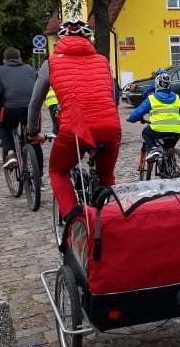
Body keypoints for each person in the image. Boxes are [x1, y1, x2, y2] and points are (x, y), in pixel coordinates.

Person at [26, 19, 121, 221]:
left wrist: (32, 131)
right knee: (106, 176)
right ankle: (113, 219)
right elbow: (112, 98)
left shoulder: (51, 63)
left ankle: (73, 221)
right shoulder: (103, 61)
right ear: (88, 39)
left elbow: (35, 102)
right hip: (110, 127)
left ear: (61, 40)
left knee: (58, 171)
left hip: (75, 129)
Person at [0, 47, 41, 170]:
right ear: (20, 58)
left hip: (10, 108)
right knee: (33, 138)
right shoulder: (30, 69)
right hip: (32, 108)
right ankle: (38, 174)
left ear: (4, 60)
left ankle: (10, 153)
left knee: (5, 127)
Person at [126, 72, 180, 162]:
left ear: (157, 85)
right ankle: (170, 165)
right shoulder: (176, 97)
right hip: (176, 131)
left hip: (158, 130)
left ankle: (153, 148)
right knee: (169, 149)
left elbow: (138, 112)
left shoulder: (152, 98)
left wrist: (131, 118)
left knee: (146, 133)